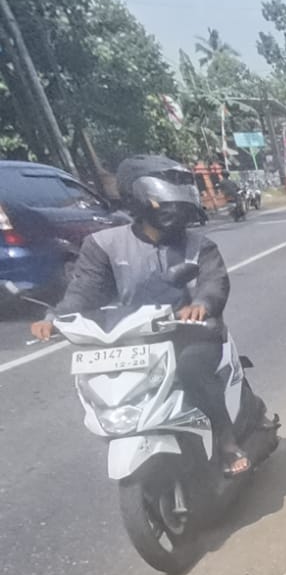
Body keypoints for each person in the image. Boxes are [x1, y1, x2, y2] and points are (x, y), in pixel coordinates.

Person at [30, 155, 253, 476]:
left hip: (191, 334)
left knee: (191, 370)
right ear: (142, 201)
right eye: (166, 205)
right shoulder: (104, 245)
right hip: (128, 338)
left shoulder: (199, 245)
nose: (175, 213)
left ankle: (226, 441)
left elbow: (214, 282)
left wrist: (201, 305)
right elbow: (83, 292)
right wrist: (54, 318)